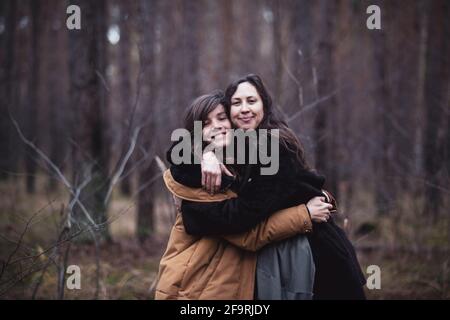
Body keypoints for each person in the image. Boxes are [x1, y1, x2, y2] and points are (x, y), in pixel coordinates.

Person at [180, 74, 367, 299]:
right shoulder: (240, 145)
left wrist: (193, 213)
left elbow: (242, 217)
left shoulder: (274, 147)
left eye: (252, 101)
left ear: (264, 105)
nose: (244, 109)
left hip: (317, 256)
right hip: (283, 257)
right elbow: (177, 154)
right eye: (237, 103)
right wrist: (205, 156)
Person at [155, 91, 327, 299]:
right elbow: (248, 234)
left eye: (221, 118)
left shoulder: (238, 165)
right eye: (206, 123)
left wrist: (316, 195)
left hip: (219, 282)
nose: (217, 126)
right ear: (196, 133)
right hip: (193, 287)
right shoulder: (201, 178)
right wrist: (304, 214)